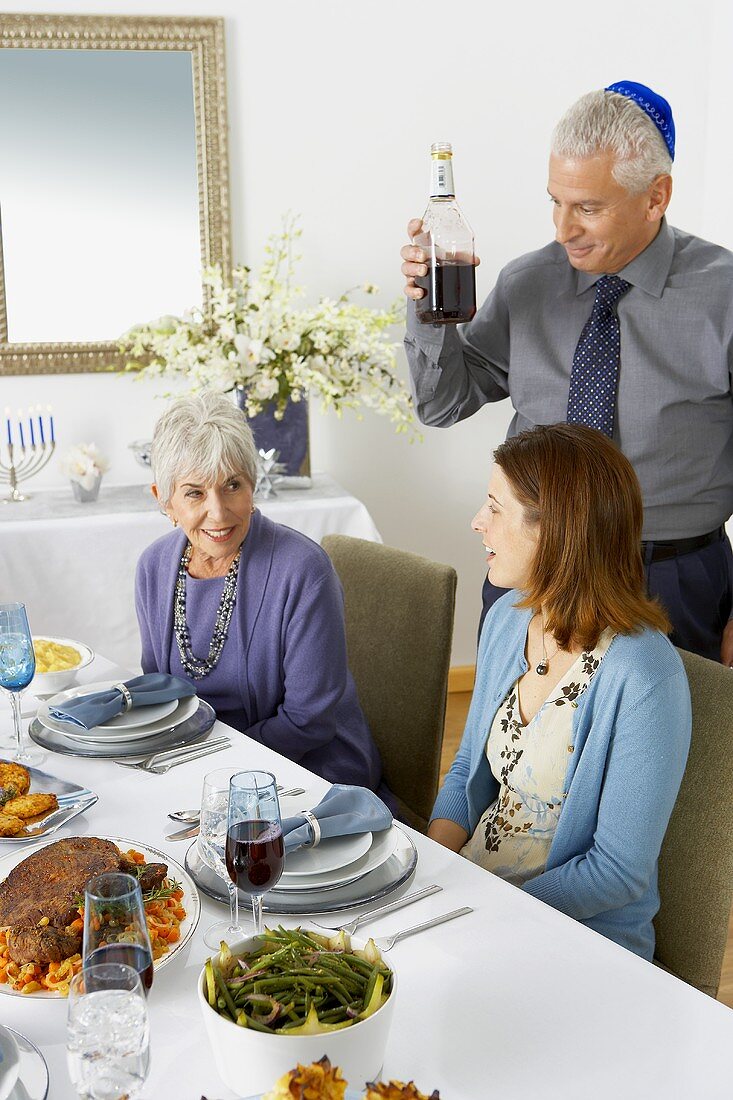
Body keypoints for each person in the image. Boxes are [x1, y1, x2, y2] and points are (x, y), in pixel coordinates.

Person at [401, 81, 733, 664]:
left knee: (676, 755)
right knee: (511, 749)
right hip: (534, 569)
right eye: (555, 201)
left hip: (671, 579)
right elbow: (441, 403)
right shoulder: (528, 283)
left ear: (657, 197)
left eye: (588, 208)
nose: (563, 229)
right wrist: (428, 310)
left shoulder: (724, 293)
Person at [428, 423, 691, 960]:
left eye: (496, 509)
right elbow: (467, 775)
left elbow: (616, 874)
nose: (478, 522)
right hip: (479, 903)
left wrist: (489, 915)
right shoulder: (508, 618)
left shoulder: (644, 677)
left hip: (578, 940)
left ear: (558, 531)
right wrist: (432, 878)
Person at [135, 391, 386, 793]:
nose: (218, 512)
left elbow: (308, 722)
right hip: (196, 769)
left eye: (232, 485)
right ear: (165, 501)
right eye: (195, 492)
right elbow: (161, 694)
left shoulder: (304, 570)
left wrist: (212, 773)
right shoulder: (154, 567)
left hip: (307, 772)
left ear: (253, 486)